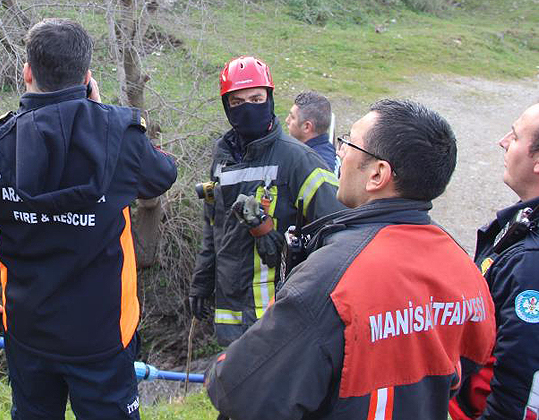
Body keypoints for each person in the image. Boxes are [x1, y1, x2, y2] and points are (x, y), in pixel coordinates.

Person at [0, 19, 177, 420]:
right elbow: (162, 176)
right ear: (87, 77)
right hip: (104, 337)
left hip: (29, 335)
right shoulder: (120, 135)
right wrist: (100, 114)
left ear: (28, 71)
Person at [205, 99, 497, 420]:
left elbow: (239, 390)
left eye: (348, 143)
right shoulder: (465, 269)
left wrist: (218, 370)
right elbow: (475, 373)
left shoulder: (333, 276)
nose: (340, 153)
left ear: (377, 174)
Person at [188, 56, 343, 346]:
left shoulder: (299, 160)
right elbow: (213, 229)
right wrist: (201, 280)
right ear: (226, 107)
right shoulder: (222, 161)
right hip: (230, 311)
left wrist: (275, 239)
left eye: (256, 98)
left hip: (280, 317)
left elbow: (339, 234)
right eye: (237, 102)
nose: (248, 107)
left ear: (269, 99)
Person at [450, 103, 539, 420]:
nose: (502, 141)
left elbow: (519, 378)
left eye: (514, 137)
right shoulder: (525, 220)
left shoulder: (531, 265)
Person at [285, 90, 337, 171]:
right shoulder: (322, 150)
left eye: (292, 117)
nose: (287, 120)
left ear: (307, 127)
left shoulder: (313, 166)